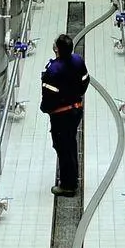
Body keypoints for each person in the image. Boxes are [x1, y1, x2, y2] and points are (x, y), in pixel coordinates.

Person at [39, 33, 91, 197]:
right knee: (70, 144)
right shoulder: (78, 60)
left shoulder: (53, 70)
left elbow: (47, 95)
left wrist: (47, 109)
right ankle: (72, 178)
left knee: (63, 148)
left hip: (61, 115)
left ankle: (68, 185)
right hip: (76, 109)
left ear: (57, 50)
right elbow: (86, 80)